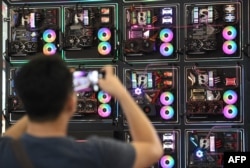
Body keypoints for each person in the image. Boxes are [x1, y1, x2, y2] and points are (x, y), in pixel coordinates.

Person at [0, 56, 163, 168]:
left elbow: (8, 137)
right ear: (71, 104)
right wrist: (121, 93)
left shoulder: (5, 151)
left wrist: (40, 99)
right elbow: (153, 148)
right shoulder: (95, 154)